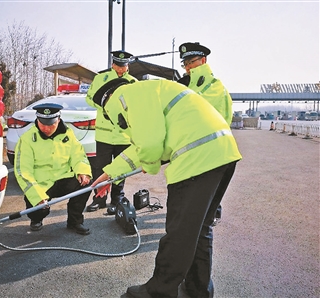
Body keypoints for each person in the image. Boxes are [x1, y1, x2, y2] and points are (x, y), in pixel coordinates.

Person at [91, 78, 242, 298]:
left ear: (108, 101)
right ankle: (197, 289)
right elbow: (142, 147)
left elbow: (150, 146)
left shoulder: (127, 96)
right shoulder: (153, 90)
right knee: (199, 230)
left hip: (196, 160)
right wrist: (111, 174)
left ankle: (158, 291)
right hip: (221, 154)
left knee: (180, 233)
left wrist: (149, 162)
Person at [177, 42, 234, 226]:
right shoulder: (183, 85)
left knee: (207, 208)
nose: (188, 68)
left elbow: (224, 120)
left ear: (203, 60)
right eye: (185, 64)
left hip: (212, 153)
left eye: (191, 62)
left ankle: (213, 212)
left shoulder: (217, 88)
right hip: (190, 153)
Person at [14, 103, 92, 235]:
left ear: (58, 120)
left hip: (63, 179)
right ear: (37, 120)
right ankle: (36, 219)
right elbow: (23, 171)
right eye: (42, 123)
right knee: (38, 208)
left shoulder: (68, 134)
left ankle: (75, 221)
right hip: (41, 184)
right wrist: (37, 196)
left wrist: (83, 171)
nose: (46, 128)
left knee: (85, 184)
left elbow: (78, 156)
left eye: (51, 124)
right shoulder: (27, 139)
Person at [85, 50, 137, 214]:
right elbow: (89, 98)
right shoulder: (101, 78)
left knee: (120, 169)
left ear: (127, 65)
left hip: (124, 136)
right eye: (117, 66)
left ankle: (117, 199)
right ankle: (99, 199)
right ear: (112, 64)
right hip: (104, 135)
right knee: (100, 168)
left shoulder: (134, 82)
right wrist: (107, 105)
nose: (120, 70)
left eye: (123, 66)